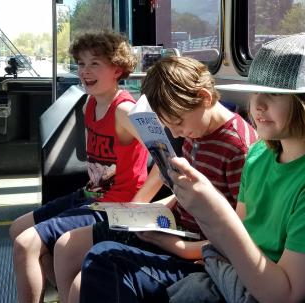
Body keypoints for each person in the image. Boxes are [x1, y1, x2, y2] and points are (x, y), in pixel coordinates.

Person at [82, 33, 305, 303]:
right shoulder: (260, 156)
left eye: (274, 94)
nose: (258, 105)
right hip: (235, 274)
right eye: (255, 92)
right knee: (105, 261)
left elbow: (284, 294)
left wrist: (213, 212)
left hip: (278, 292)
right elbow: (238, 239)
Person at [54, 56, 258, 303]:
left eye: (177, 123)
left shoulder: (238, 149)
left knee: (89, 277)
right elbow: (189, 192)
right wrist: (151, 211)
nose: (175, 133)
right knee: (67, 245)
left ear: (204, 98)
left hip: (197, 249)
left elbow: (240, 237)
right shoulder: (197, 128)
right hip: (172, 225)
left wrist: (172, 244)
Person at [8, 30, 149, 303]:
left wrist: (140, 201)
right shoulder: (90, 104)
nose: (85, 71)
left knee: (26, 243)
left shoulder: (125, 112)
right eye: (81, 64)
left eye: (95, 63)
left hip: (117, 203)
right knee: (17, 229)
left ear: (117, 69)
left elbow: (164, 157)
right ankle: (67, 293)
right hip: (91, 195)